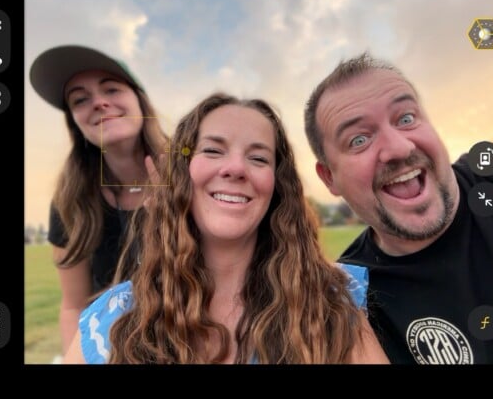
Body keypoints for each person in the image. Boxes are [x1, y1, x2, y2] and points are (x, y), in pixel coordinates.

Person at [63, 93, 389, 364]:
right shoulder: (111, 321)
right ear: (180, 174)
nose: (235, 168)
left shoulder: (330, 303)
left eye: (259, 158)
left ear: (278, 186)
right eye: (213, 150)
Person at [304, 53, 493, 364]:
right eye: (359, 139)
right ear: (329, 178)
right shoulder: (350, 305)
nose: (399, 148)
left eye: (405, 118)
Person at [30, 45, 169, 356]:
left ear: (140, 101)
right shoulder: (70, 201)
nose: (99, 103)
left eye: (111, 89)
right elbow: (73, 305)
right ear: (75, 122)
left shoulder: (191, 173)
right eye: (80, 99)